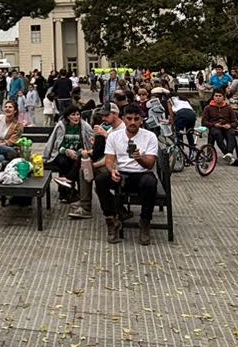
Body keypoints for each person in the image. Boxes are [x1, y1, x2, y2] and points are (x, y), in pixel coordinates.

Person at [96, 104, 165, 245]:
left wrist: (139, 158)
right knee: (101, 180)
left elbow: (150, 164)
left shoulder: (150, 136)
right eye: (129, 119)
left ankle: (145, 220)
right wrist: (112, 170)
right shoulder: (114, 136)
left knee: (150, 182)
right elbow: (109, 159)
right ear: (123, 119)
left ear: (141, 120)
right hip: (122, 174)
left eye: (136, 119)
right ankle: (111, 219)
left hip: (141, 174)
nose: (133, 122)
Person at [42, 105, 90, 217]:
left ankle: (66, 190)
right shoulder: (61, 126)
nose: (76, 117)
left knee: (76, 162)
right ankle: (70, 192)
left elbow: (88, 142)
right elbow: (56, 143)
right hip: (61, 153)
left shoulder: (84, 126)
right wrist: (66, 151)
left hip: (78, 154)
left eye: (78, 114)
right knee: (64, 161)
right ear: (68, 117)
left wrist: (77, 152)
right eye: (73, 115)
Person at [200, 89, 238, 161]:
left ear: (223, 97)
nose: (218, 98)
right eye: (216, 96)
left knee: (231, 133)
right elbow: (204, 122)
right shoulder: (208, 108)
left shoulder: (228, 108)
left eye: (220, 96)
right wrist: (214, 124)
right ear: (213, 97)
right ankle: (226, 153)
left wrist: (230, 125)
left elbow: (235, 122)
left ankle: (229, 153)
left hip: (226, 126)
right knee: (217, 133)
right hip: (215, 127)